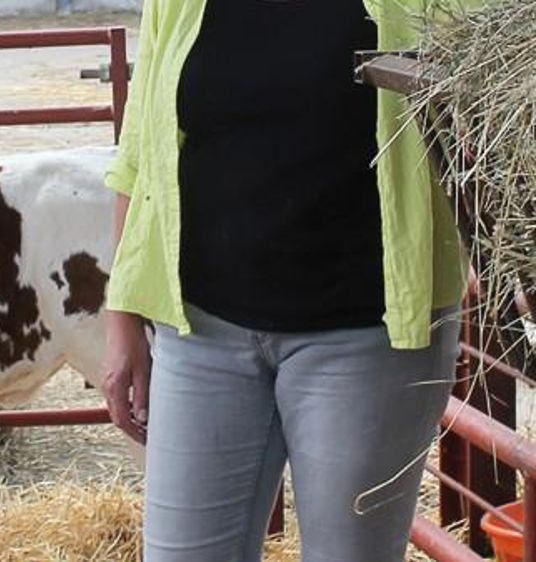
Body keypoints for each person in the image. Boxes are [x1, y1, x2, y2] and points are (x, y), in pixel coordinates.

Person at [100, 1, 480, 561]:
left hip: (368, 338)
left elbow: (506, 56)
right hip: (200, 331)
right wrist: (122, 313)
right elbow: (141, 148)